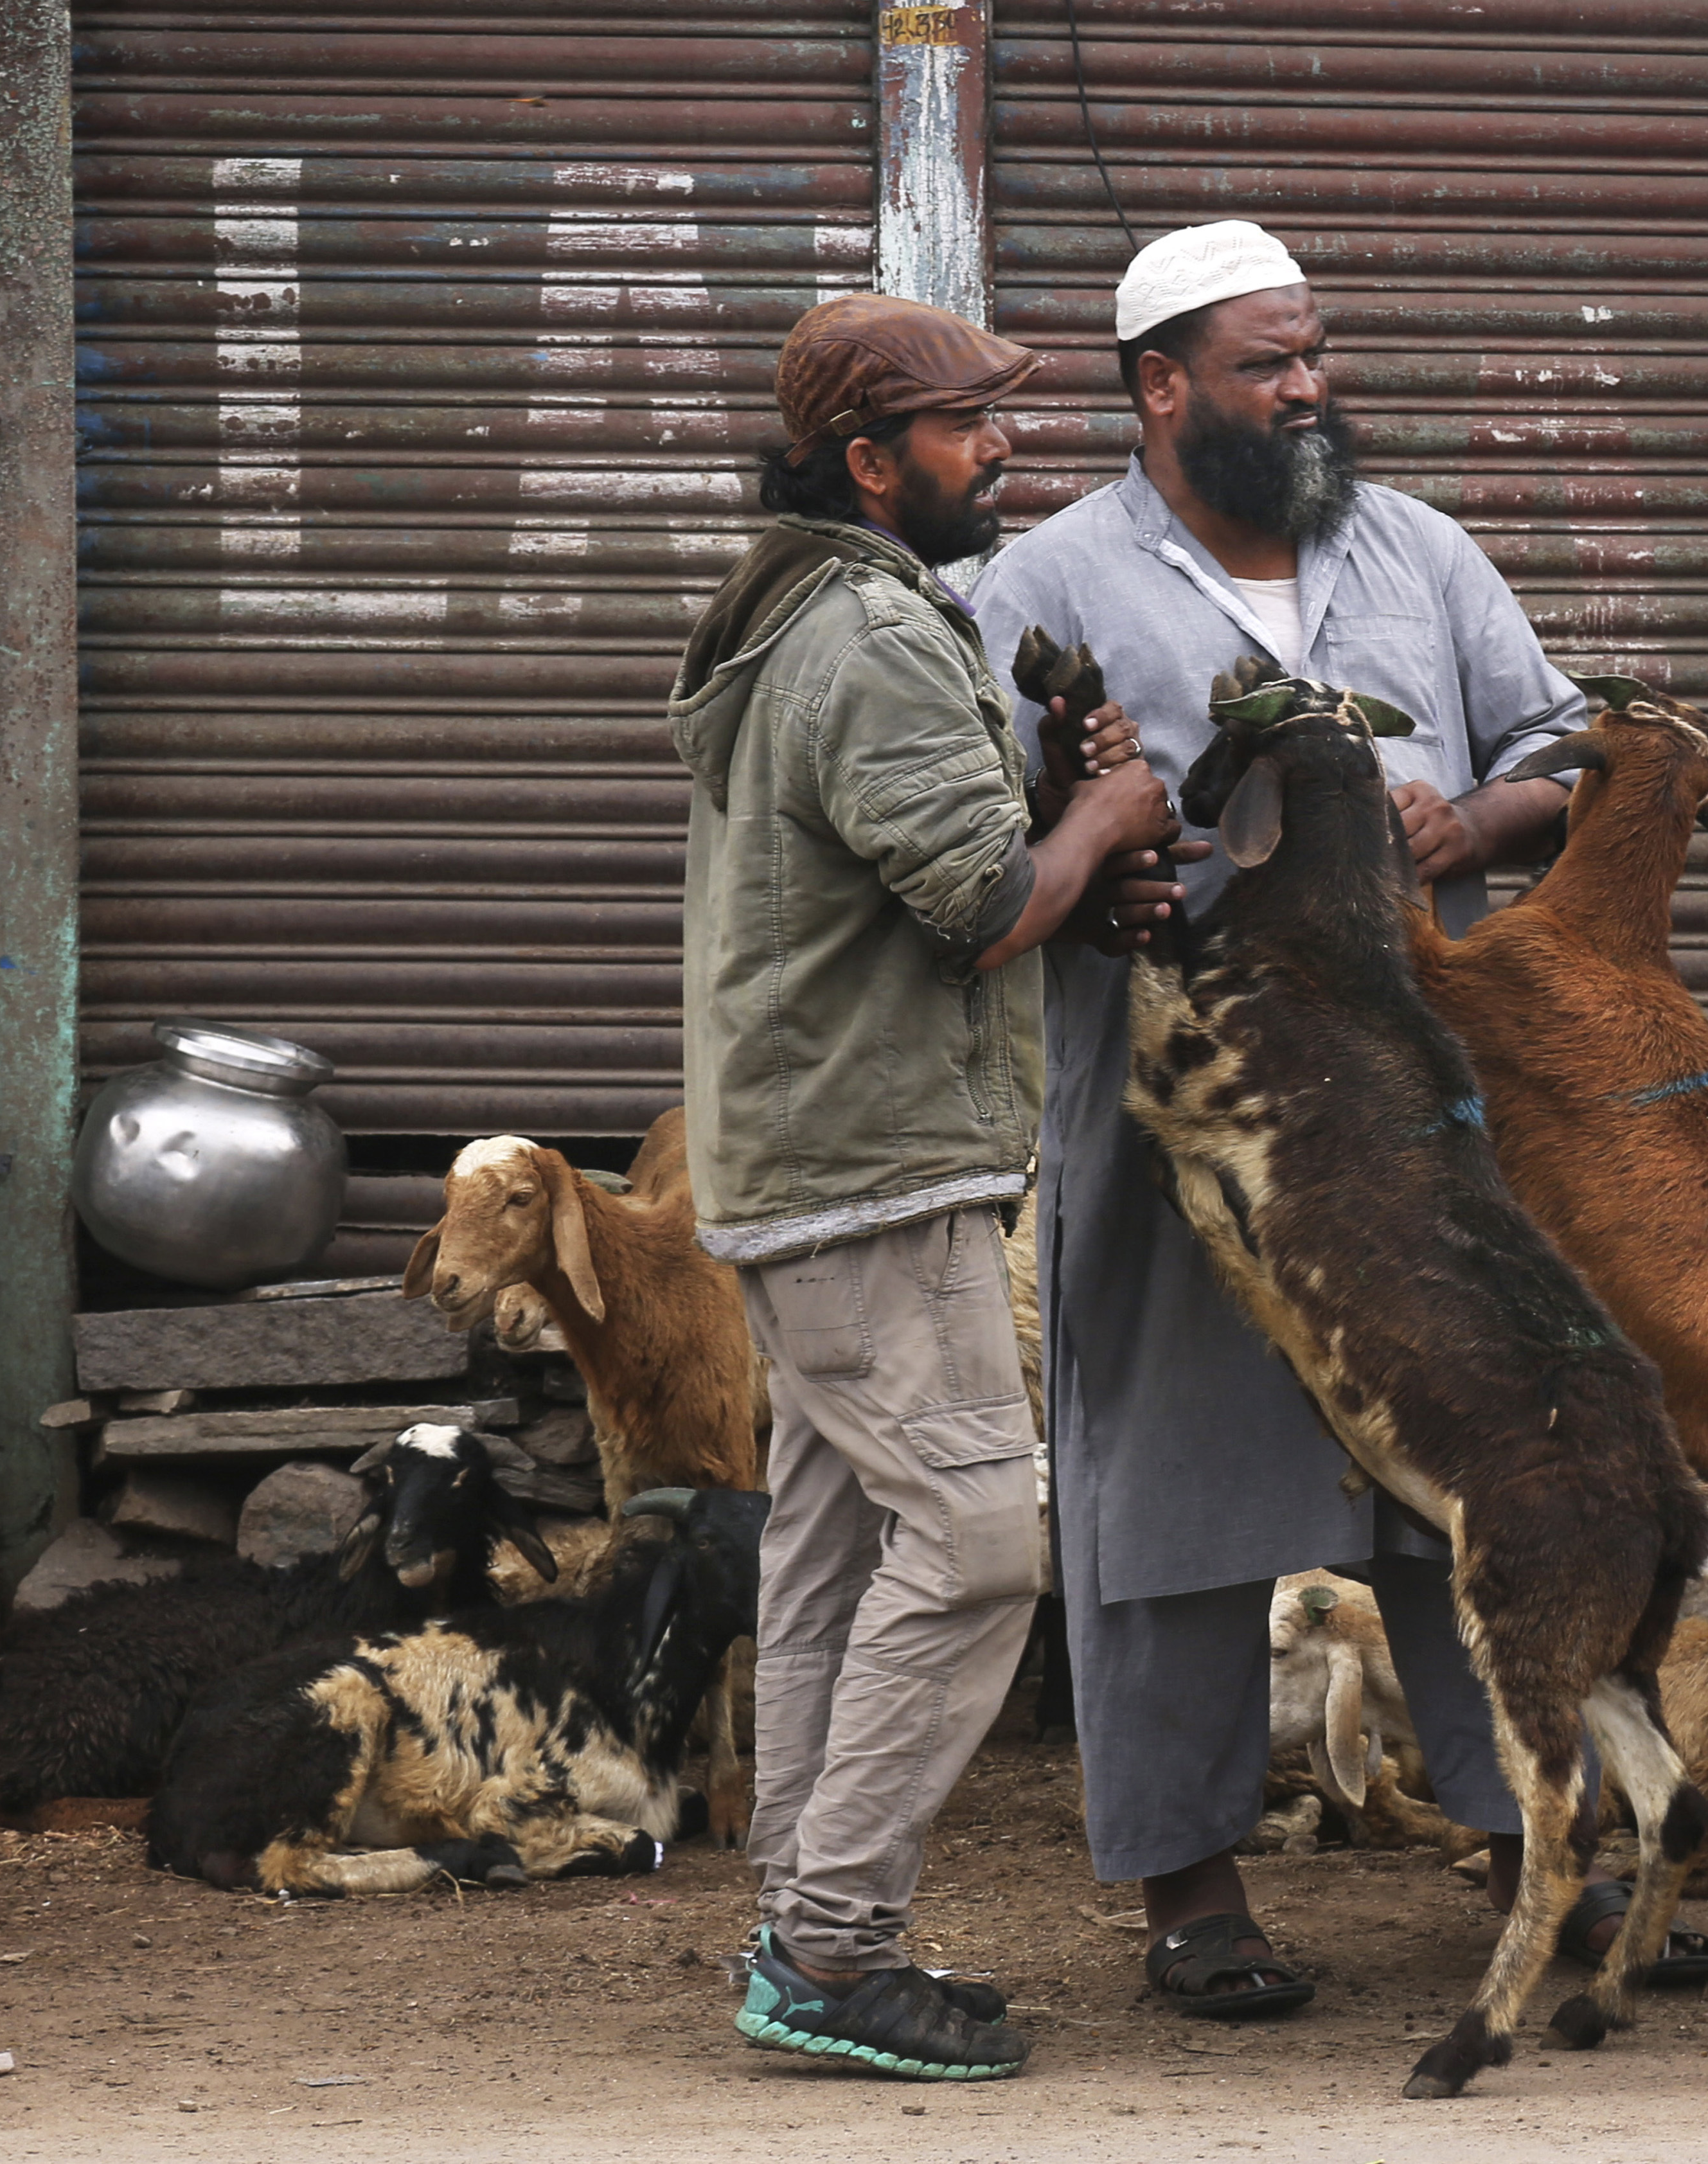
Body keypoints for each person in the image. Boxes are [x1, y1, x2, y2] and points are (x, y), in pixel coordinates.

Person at [970, 220, 1708, 2012]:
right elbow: (992, 850)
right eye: (1265, 363)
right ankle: (1192, 1893)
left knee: (1480, 1463)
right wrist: (1109, 881)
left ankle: (1524, 1848)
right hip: (1197, 1138)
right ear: (1162, 388)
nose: (1309, 390)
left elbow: (1558, 749)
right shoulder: (1041, 588)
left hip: (1413, 1124)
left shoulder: (1418, 552)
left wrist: (1481, 824)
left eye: (1316, 356)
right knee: (1161, 1492)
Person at [670, 292, 1182, 2077]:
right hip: (871, 1176)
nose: (1007, 452)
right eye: (971, 429)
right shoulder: (873, 638)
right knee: (974, 1546)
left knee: (828, 1565)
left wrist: (1048, 801)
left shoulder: (805, 606)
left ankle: (805, 1931)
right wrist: (1104, 828)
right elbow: (978, 912)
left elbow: (935, 862)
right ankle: (827, 1952)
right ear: (873, 464)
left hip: (812, 1165)